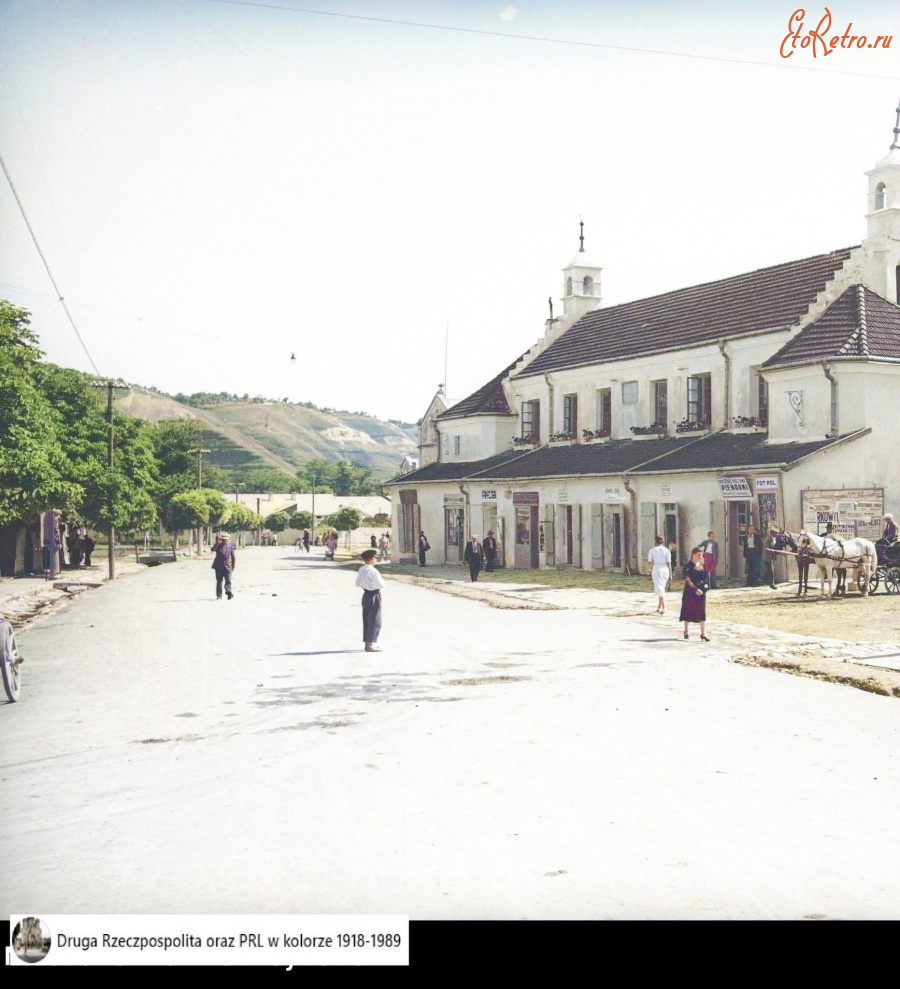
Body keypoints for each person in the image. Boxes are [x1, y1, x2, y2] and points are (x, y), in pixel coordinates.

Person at [356, 548, 384, 652]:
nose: (376, 559)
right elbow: (380, 584)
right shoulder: (373, 570)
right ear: (371, 559)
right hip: (374, 594)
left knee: (367, 618)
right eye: (375, 557)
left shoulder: (361, 569)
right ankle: (370, 644)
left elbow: (358, 583)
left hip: (365, 594)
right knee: (375, 619)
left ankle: (367, 643)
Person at [680, 547, 710, 641]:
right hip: (690, 592)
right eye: (698, 555)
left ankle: (703, 633)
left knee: (702, 612)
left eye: (701, 555)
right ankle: (686, 630)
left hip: (701, 592)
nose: (700, 557)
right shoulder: (688, 566)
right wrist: (695, 589)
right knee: (687, 611)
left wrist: (703, 590)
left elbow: (707, 579)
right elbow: (688, 579)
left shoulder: (703, 566)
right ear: (693, 554)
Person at [647, 535, 672, 614]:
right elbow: (669, 563)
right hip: (665, 570)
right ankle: (659, 605)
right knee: (661, 587)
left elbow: (650, 562)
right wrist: (670, 574)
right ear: (663, 541)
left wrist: (649, 570)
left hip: (657, 569)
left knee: (659, 587)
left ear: (655, 541)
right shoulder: (667, 550)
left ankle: (664, 606)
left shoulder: (652, 550)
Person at [212, 532, 236, 600]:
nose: (224, 541)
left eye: (226, 539)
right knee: (219, 581)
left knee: (228, 580)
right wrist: (217, 543)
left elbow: (233, 557)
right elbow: (213, 549)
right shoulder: (218, 546)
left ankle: (229, 593)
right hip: (218, 566)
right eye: (223, 539)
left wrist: (233, 566)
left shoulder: (230, 547)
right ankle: (219, 595)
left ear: (228, 540)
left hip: (228, 566)